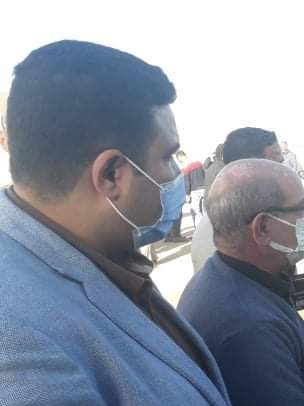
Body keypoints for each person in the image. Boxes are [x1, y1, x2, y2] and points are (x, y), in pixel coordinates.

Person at [0, 40, 229, 404]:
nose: (176, 174)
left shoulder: (95, 249)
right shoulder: (20, 347)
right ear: (111, 174)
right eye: (168, 157)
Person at [178, 159, 304, 406]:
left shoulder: (233, 277)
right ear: (262, 228)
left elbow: (301, 368)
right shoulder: (248, 327)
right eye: (303, 209)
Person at [190, 127, 282, 273]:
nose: (285, 174)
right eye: (277, 166)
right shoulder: (222, 230)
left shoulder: (253, 214)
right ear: (249, 170)